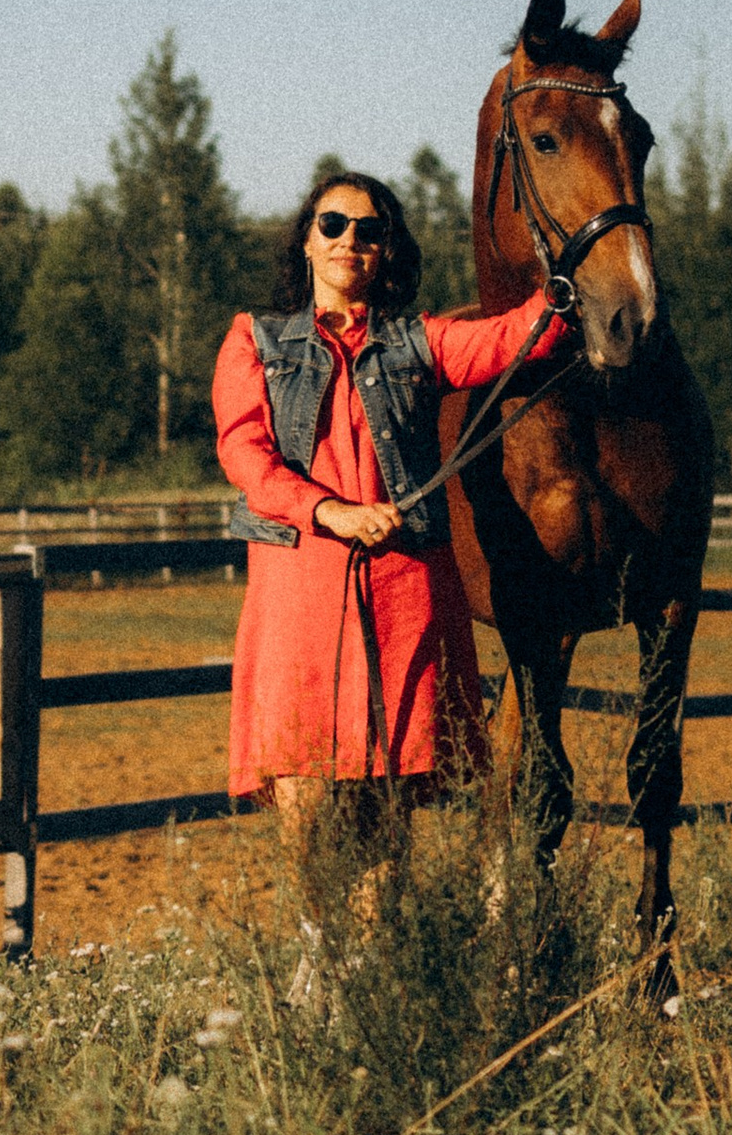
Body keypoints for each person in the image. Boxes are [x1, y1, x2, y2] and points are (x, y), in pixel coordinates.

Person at [211, 167, 569, 824]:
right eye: (333, 225)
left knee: (387, 809)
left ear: (387, 251)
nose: (350, 239)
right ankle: (320, 932)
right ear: (308, 243)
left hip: (404, 591)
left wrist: (578, 263)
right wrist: (331, 511)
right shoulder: (253, 342)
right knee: (305, 798)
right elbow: (245, 457)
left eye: (369, 231)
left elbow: (518, 335)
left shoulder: (423, 343)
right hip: (300, 587)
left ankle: (386, 932)